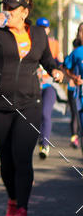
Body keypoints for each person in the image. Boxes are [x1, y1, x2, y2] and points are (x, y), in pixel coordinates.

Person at [0, 0, 63, 216]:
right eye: (5, 6)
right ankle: (12, 198)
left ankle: (22, 210)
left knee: (22, 157)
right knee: (6, 161)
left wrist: (55, 71)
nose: (7, 11)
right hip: (0, 105)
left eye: (12, 7)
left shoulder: (39, 34)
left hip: (30, 103)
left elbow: (48, 60)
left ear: (25, 12)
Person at [35, 17, 62, 158]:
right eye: (40, 27)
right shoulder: (31, 41)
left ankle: (44, 144)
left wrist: (59, 69)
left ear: (49, 29)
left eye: (45, 28)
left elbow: (58, 61)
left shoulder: (54, 44)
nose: (43, 30)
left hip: (49, 85)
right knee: (34, 116)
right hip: (34, 86)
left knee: (45, 114)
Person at [66, 24, 83, 149]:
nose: (80, 34)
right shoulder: (77, 52)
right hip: (79, 95)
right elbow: (65, 67)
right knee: (74, 114)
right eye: (80, 31)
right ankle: (74, 137)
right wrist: (73, 78)